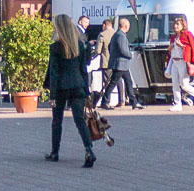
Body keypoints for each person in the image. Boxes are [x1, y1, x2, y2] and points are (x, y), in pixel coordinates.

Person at [44, 13, 95, 167]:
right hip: (78, 85)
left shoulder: (56, 47)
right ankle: (88, 150)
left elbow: (54, 72)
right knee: (80, 120)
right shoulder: (79, 45)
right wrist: (86, 91)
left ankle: (55, 151)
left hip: (61, 87)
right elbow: (83, 70)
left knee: (57, 120)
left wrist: (52, 95)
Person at [99, 17, 141, 110]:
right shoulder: (121, 36)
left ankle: (133, 102)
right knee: (114, 83)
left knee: (127, 82)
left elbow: (110, 46)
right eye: (129, 26)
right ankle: (104, 101)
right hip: (120, 64)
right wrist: (130, 55)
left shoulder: (116, 34)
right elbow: (123, 50)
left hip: (121, 64)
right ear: (126, 26)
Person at [166, 15, 194, 111]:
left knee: (184, 84)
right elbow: (170, 51)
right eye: (175, 24)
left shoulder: (188, 35)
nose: (175, 26)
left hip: (183, 61)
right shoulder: (173, 37)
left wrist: (183, 46)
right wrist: (169, 49)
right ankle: (177, 104)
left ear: (183, 25)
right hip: (174, 61)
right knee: (175, 84)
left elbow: (193, 48)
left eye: (178, 24)